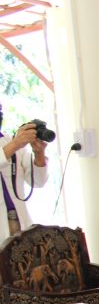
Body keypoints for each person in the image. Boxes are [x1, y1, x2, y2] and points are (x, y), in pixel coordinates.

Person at [0, 103, 48, 243]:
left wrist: (39, 153)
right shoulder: (14, 143)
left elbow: (38, 182)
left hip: (20, 223)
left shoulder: (10, 140)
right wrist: (15, 145)